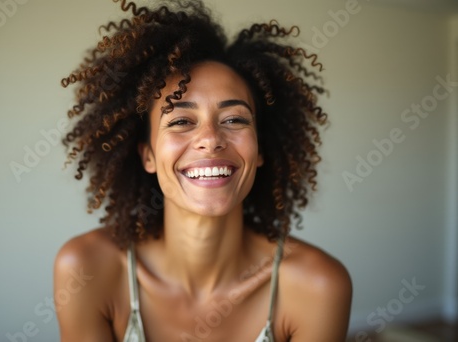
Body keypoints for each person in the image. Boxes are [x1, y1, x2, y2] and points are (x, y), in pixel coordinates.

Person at [53, 0, 352, 341]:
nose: (210, 139)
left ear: (260, 152)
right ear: (148, 155)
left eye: (234, 119)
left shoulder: (317, 285)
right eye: (181, 120)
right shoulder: (87, 269)